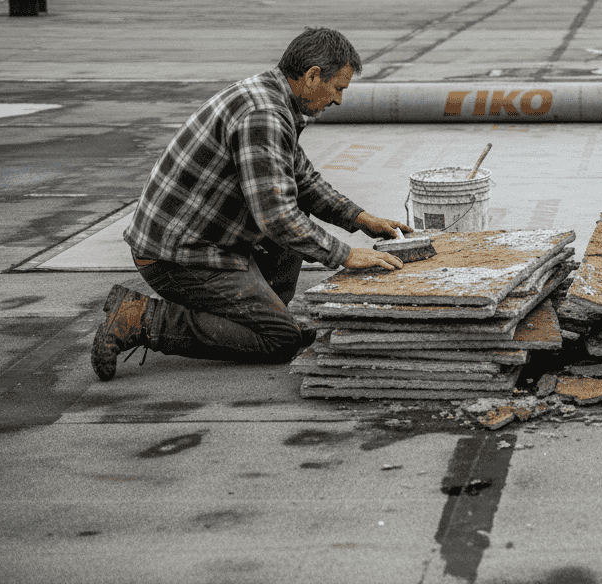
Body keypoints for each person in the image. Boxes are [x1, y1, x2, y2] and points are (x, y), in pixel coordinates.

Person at [91, 27, 413, 381]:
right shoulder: (264, 114)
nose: (337, 100)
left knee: (295, 209)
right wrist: (346, 255)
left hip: (206, 242)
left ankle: (262, 314)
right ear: (311, 76)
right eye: (338, 88)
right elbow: (276, 216)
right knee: (279, 340)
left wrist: (361, 218)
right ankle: (143, 318)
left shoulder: (274, 100)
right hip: (178, 257)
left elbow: (302, 180)